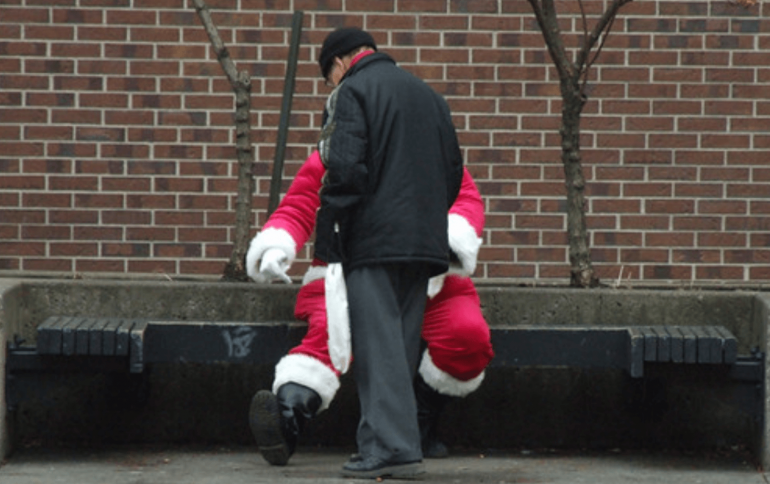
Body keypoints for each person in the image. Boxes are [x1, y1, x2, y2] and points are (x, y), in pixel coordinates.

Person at [250, 26, 471, 479]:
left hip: (374, 243)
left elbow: (344, 169)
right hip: (424, 247)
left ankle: (388, 450)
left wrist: (335, 235)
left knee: (377, 349)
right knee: (402, 346)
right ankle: (404, 446)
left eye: (328, 77)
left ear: (339, 63)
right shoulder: (429, 96)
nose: (331, 87)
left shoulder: (353, 91)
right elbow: (453, 173)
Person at [246, 150, 493, 471]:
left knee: (467, 335)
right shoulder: (332, 154)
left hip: (429, 276)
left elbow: (466, 201)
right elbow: (298, 206)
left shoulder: (432, 149)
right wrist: (277, 246)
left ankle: (418, 423)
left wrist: (446, 242)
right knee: (331, 332)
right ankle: (288, 417)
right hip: (345, 275)